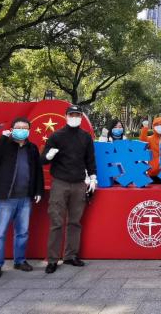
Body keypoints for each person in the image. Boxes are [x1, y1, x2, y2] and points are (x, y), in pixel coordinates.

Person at [41, 105, 96, 273]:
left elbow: (90, 159)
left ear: (81, 117)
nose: (75, 117)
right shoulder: (56, 136)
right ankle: (52, 259)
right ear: (66, 116)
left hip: (79, 183)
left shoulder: (85, 137)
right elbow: (43, 160)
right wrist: (49, 155)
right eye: (72, 114)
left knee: (74, 222)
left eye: (77, 115)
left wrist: (93, 177)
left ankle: (70, 256)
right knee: (56, 221)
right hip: (60, 182)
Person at [0, 118, 44, 278]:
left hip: (25, 197)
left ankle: (20, 261)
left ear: (29, 130)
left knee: (22, 232)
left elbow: (37, 171)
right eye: (18, 127)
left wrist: (38, 191)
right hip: (5, 198)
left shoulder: (32, 148)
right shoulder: (4, 144)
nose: (21, 130)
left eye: (25, 128)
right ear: (12, 129)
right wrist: (3, 139)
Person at [139, 116, 161, 183]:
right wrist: (145, 128)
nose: (159, 126)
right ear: (153, 126)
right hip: (152, 172)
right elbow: (142, 144)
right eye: (156, 124)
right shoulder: (150, 139)